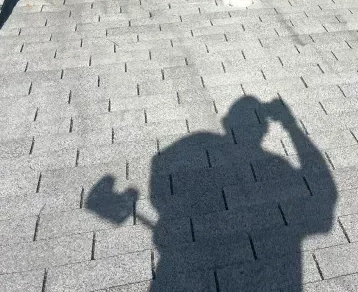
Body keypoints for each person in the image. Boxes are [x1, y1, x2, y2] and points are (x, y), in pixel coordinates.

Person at [88, 96, 337, 292]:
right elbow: (323, 199)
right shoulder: (278, 167)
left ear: (227, 121)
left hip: (180, 268)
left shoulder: (190, 147)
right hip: (278, 276)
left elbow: (161, 188)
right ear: (264, 129)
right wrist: (291, 125)